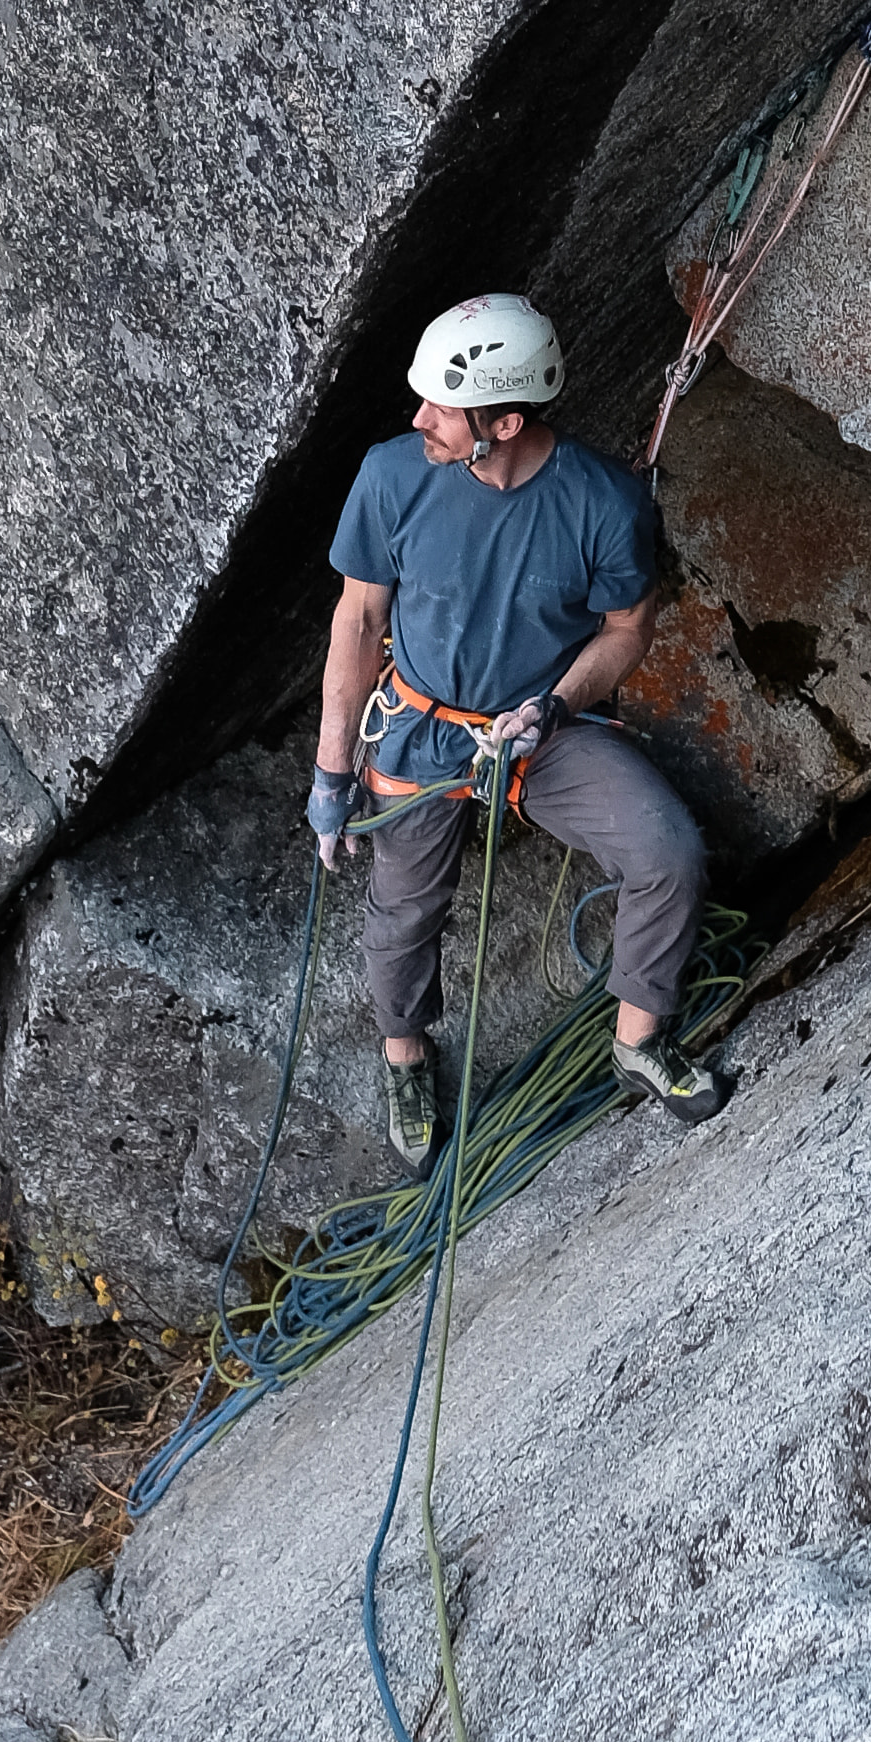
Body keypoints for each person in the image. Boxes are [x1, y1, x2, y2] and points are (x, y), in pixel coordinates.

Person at [314, 293, 722, 1164]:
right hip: (423, 724)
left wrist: (555, 708)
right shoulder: (394, 476)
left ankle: (639, 1040)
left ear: (502, 421)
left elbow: (626, 630)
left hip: (545, 724)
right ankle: (405, 1054)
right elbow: (356, 625)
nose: (419, 417)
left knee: (668, 853)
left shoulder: (603, 503)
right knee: (403, 909)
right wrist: (331, 775)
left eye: (441, 408)